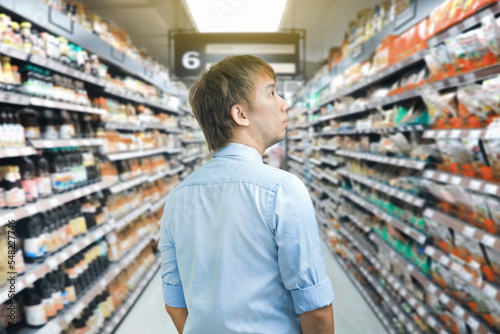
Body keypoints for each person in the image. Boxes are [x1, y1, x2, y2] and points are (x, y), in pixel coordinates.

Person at [159, 55, 335, 334]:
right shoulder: (283, 189)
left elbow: (174, 304)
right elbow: (316, 311)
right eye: (272, 92)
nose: (283, 103)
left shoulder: (177, 199)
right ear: (240, 114)